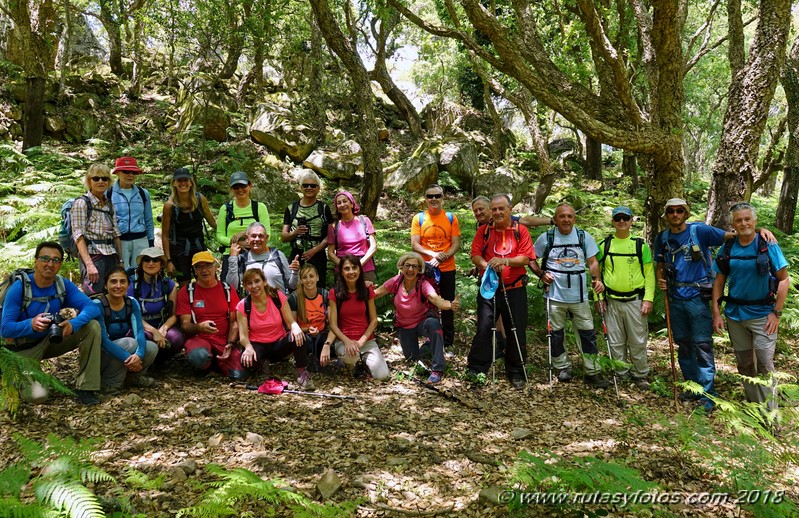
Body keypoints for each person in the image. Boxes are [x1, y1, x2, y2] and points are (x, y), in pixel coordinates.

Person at [654, 198, 774, 410]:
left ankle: (707, 393)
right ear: (666, 215)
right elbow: (660, 263)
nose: (675, 214)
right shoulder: (662, 237)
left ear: (686, 213)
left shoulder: (700, 231)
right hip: (675, 297)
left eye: (679, 210)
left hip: (698, 297)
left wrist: (760, 229)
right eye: (671, 211)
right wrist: (660, 278)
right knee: (683, 343)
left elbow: (737, 234)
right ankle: (691, 386)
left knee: (702, 345)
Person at [0, 241, 103, 405]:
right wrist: (30, 324)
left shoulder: (62, 285)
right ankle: (14, 375)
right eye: (45, 258)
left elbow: (92, 307)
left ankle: (86, 388)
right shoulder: (19, 288)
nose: (50, 264)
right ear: (35, 261)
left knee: (91, 327)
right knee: (38, 396)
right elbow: (5, 329)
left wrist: (74, 323)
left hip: (48, 341)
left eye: (56, 260)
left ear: (61, 264)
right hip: (21, 351)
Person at [711, 202, 790, 410]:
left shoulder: (767, 244)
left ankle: (770, 414)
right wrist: (716, 313)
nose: (743, 223)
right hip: (735, 316)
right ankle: (754, 407)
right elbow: (719, 281)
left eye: (747, 219)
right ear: (733, 224)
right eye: (739, 220)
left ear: (754, 221)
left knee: (764, 364)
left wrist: (777, 313)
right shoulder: (727, 247)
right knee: (745, 364)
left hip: (763, 315)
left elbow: (784, 280)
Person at [531, 202, 609, 388]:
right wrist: (541, 274)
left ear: (574, 218)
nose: (566, 219)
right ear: (555, 219)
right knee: (556, 332)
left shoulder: (583, 237)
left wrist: (597, 279)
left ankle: (592, 370)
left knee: (587, 333)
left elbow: (592, 262)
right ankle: (562, 367)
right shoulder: (546, 237)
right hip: (554, 295)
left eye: (569, 216)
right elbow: (531, 258)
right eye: (562, 216)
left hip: (579, 295)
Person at [467, 194, 533, 388]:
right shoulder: (484, 231)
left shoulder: (520, 231)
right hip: (489, 289)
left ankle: (516, 371)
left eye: (501, 209)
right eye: (494, 209)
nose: (497, 212)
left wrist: (505, 261)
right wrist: (488, 266)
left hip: (515, 289)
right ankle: (477, 368)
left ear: (510, 209)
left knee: (516, 329)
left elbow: (525, 259)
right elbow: (475, 255)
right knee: (484, 328)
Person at [375, 252, 460, 384]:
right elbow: (376, 294)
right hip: (404, 326)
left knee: (433, 324)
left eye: (414, 266)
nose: (410, 269)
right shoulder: (395, 282)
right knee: (412, 359)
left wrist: (450, 305)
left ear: (419, 269)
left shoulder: (423, 284)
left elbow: (436, 299)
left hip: (422, 323)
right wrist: (358, 291)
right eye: (407, 265)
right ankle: (428, 345)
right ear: (401, 267)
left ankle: (437, 368)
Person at [596, 206, 655, 389]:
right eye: (618, 218)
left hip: (635, 301)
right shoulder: (604, 245)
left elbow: (649, 274)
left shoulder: (640, 245)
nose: (622, 221)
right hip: (611, 300)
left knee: (638, 340)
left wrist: (648, 299)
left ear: (631, 221)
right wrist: (598, 298)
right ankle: (620, 372)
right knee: (615, 340)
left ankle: (640, 374)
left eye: (625, 218)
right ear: (613, 221)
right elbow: (595, 274)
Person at [237, 268, 314, 390]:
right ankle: (262, 366)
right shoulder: (243, 305)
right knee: (245, 359)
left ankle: (301, 371)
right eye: (249, 283)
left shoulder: (277, 297)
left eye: (257, 281)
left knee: (299, 335)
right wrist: (248, 347)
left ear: (264, 282)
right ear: (245, 286)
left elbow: (290, 321)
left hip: (279, 343)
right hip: (258, 345)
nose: (254, 286)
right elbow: (243, 337)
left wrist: (296, 328)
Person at [177, 251, 245, 379]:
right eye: (199, 267)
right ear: (194, 271)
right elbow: (185, 325)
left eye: (208, 265)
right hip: (199, 339)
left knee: (240, 374)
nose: (204, 270)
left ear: (215, 266)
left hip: (224, 341)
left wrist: (230, 344)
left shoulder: (228, 290)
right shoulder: (187, 291)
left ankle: (218, 361)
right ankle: (209, 363)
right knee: (199, 357)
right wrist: (199, 327)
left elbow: (234, 322)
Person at [319, 254, 389, 380]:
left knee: (382, 376)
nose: (351, 272)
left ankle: (363, 363)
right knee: (352, 356)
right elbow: (333, 324)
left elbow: (373, 321)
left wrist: (362, 340)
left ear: (359, 270)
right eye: (346, 268)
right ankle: (350, 365)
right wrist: (347, 341)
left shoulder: (366, 291)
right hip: (345, 341)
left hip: (366, 341)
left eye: (354, 268)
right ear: (341, 271)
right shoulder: (335, 293)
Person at [411, 184, 461, 348]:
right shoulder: (419, 218)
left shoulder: (451, 218)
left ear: (442, 198)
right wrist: (434, 255)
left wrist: (443, 256)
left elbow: (455, 244)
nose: (433, 199)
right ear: (425, 198)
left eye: (437, 196)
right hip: (426, 268)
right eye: (430, 196)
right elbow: (415, 244)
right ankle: (430, 338)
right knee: (428, 304)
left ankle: (447, 341)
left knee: (447, 304)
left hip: (447, 269)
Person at [95, 267, 158, 393]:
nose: (118, 285)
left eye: (122, 281)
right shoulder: (98, 305)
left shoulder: (131, 303)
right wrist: (129, 359)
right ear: (106, 286)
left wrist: (139, 355)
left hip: (124, 350)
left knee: (151, 347)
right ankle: (108, 383)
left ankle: (133, 378)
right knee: (130, 343)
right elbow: (104, 341)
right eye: (113, 282)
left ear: (128, 285)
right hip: (101, 354)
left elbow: (139, 331)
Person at [71, 163, 123, 295]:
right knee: (95, 296)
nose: (101, 181)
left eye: (104, 178)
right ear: (89, 181)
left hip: (111, 256)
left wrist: (120, 261)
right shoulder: (81, 203)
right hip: (93, 255)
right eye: (96, 178)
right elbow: (78, 236)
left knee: (113, 295)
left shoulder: (109, 205)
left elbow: (116, 234)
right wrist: (89, 264)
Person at [127, 247, 184, 365]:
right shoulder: (132, 283)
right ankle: (146, 360)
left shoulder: (168, 284)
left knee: (176, 338)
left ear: (161, 264)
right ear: (141, 264)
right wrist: (154, 331)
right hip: (140, 326)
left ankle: (158, 361)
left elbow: (174, 315)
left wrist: (164, 328)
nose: (151, 263)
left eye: (155, 260)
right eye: (147, 260)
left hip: (161, 324)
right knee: (141, 337)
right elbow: (131, 314)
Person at [161, 167, 216, 286]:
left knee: (206, 281)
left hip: (198, 246)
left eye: (186, 180)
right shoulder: (170, 206)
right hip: (179, 249)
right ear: (174, 183)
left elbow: (213, 222)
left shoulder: (200, 199)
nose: (183, 183)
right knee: (184, 285)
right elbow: (165, 235)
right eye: (179, 181)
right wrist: (168, 260)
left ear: (191, 182)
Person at [281, 170, 333, 288]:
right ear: (300, 187)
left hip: (317, 255)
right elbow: (284, 237)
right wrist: (295, 233)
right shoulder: (291, 208)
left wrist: (315, 250)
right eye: (305, 185)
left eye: (313, 185)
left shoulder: (323, 208)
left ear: (318, 188)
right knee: (294, 287)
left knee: (318, 289)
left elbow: (331, 234)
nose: (309, 188)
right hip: (296, 255)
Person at [216, 171, 270, 281]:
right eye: (236, 187)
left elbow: (268, 233)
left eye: (243, 186)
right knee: (229, 289)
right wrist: (236, 243)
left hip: (256, 253)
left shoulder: (260, 207)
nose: (240, 190)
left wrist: (247, 236)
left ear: (250, 186)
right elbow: (220, 235)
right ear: (231, 189)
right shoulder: (225, 209)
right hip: (231, 253)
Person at [226, 222, 300, 295]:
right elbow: (232, 287)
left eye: (261, 236)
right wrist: (233, 258)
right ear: (247, 239)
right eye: (253, 236)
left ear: (267, 238)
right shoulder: (242, 260)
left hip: (280, 305)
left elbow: (293, 286)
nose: (257, 239)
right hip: (254, 306)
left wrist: (295, 272)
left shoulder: (278, 255)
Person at [108, 156, 154, 269]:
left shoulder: (143, 193)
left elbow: (148, 219)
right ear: (117, 172)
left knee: (140, 274)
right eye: (126, 171)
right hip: (119, 241)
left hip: (140, 240)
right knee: (121, 273)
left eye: (134, 172)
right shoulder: (108, 193)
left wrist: (151, 242)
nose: (131, 175)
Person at [327, 191, 378, 283]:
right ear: (337, 208)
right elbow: (330, 253)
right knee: (343, 296)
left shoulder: (364, 221)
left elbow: (373, 247)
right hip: (343, 268)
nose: (342, 205)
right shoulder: (334, 226)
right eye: (339, 203)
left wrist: (359, 264)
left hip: (365, 267)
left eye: (345, 201)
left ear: (351, 204)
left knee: (367, 296)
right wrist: (344, 266)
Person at [287, 264, 331, 370]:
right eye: (304, 277)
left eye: (311, 276)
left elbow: (332, 322)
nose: (308, 280)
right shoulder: (294, 297)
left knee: (324, 343)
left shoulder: (325, 295)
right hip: (303, 334)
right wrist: (307, 329)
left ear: (317, 277)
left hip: (321, 334)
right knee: (299, 339)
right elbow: (291, 326)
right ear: (301, 280)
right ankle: (302, 366)